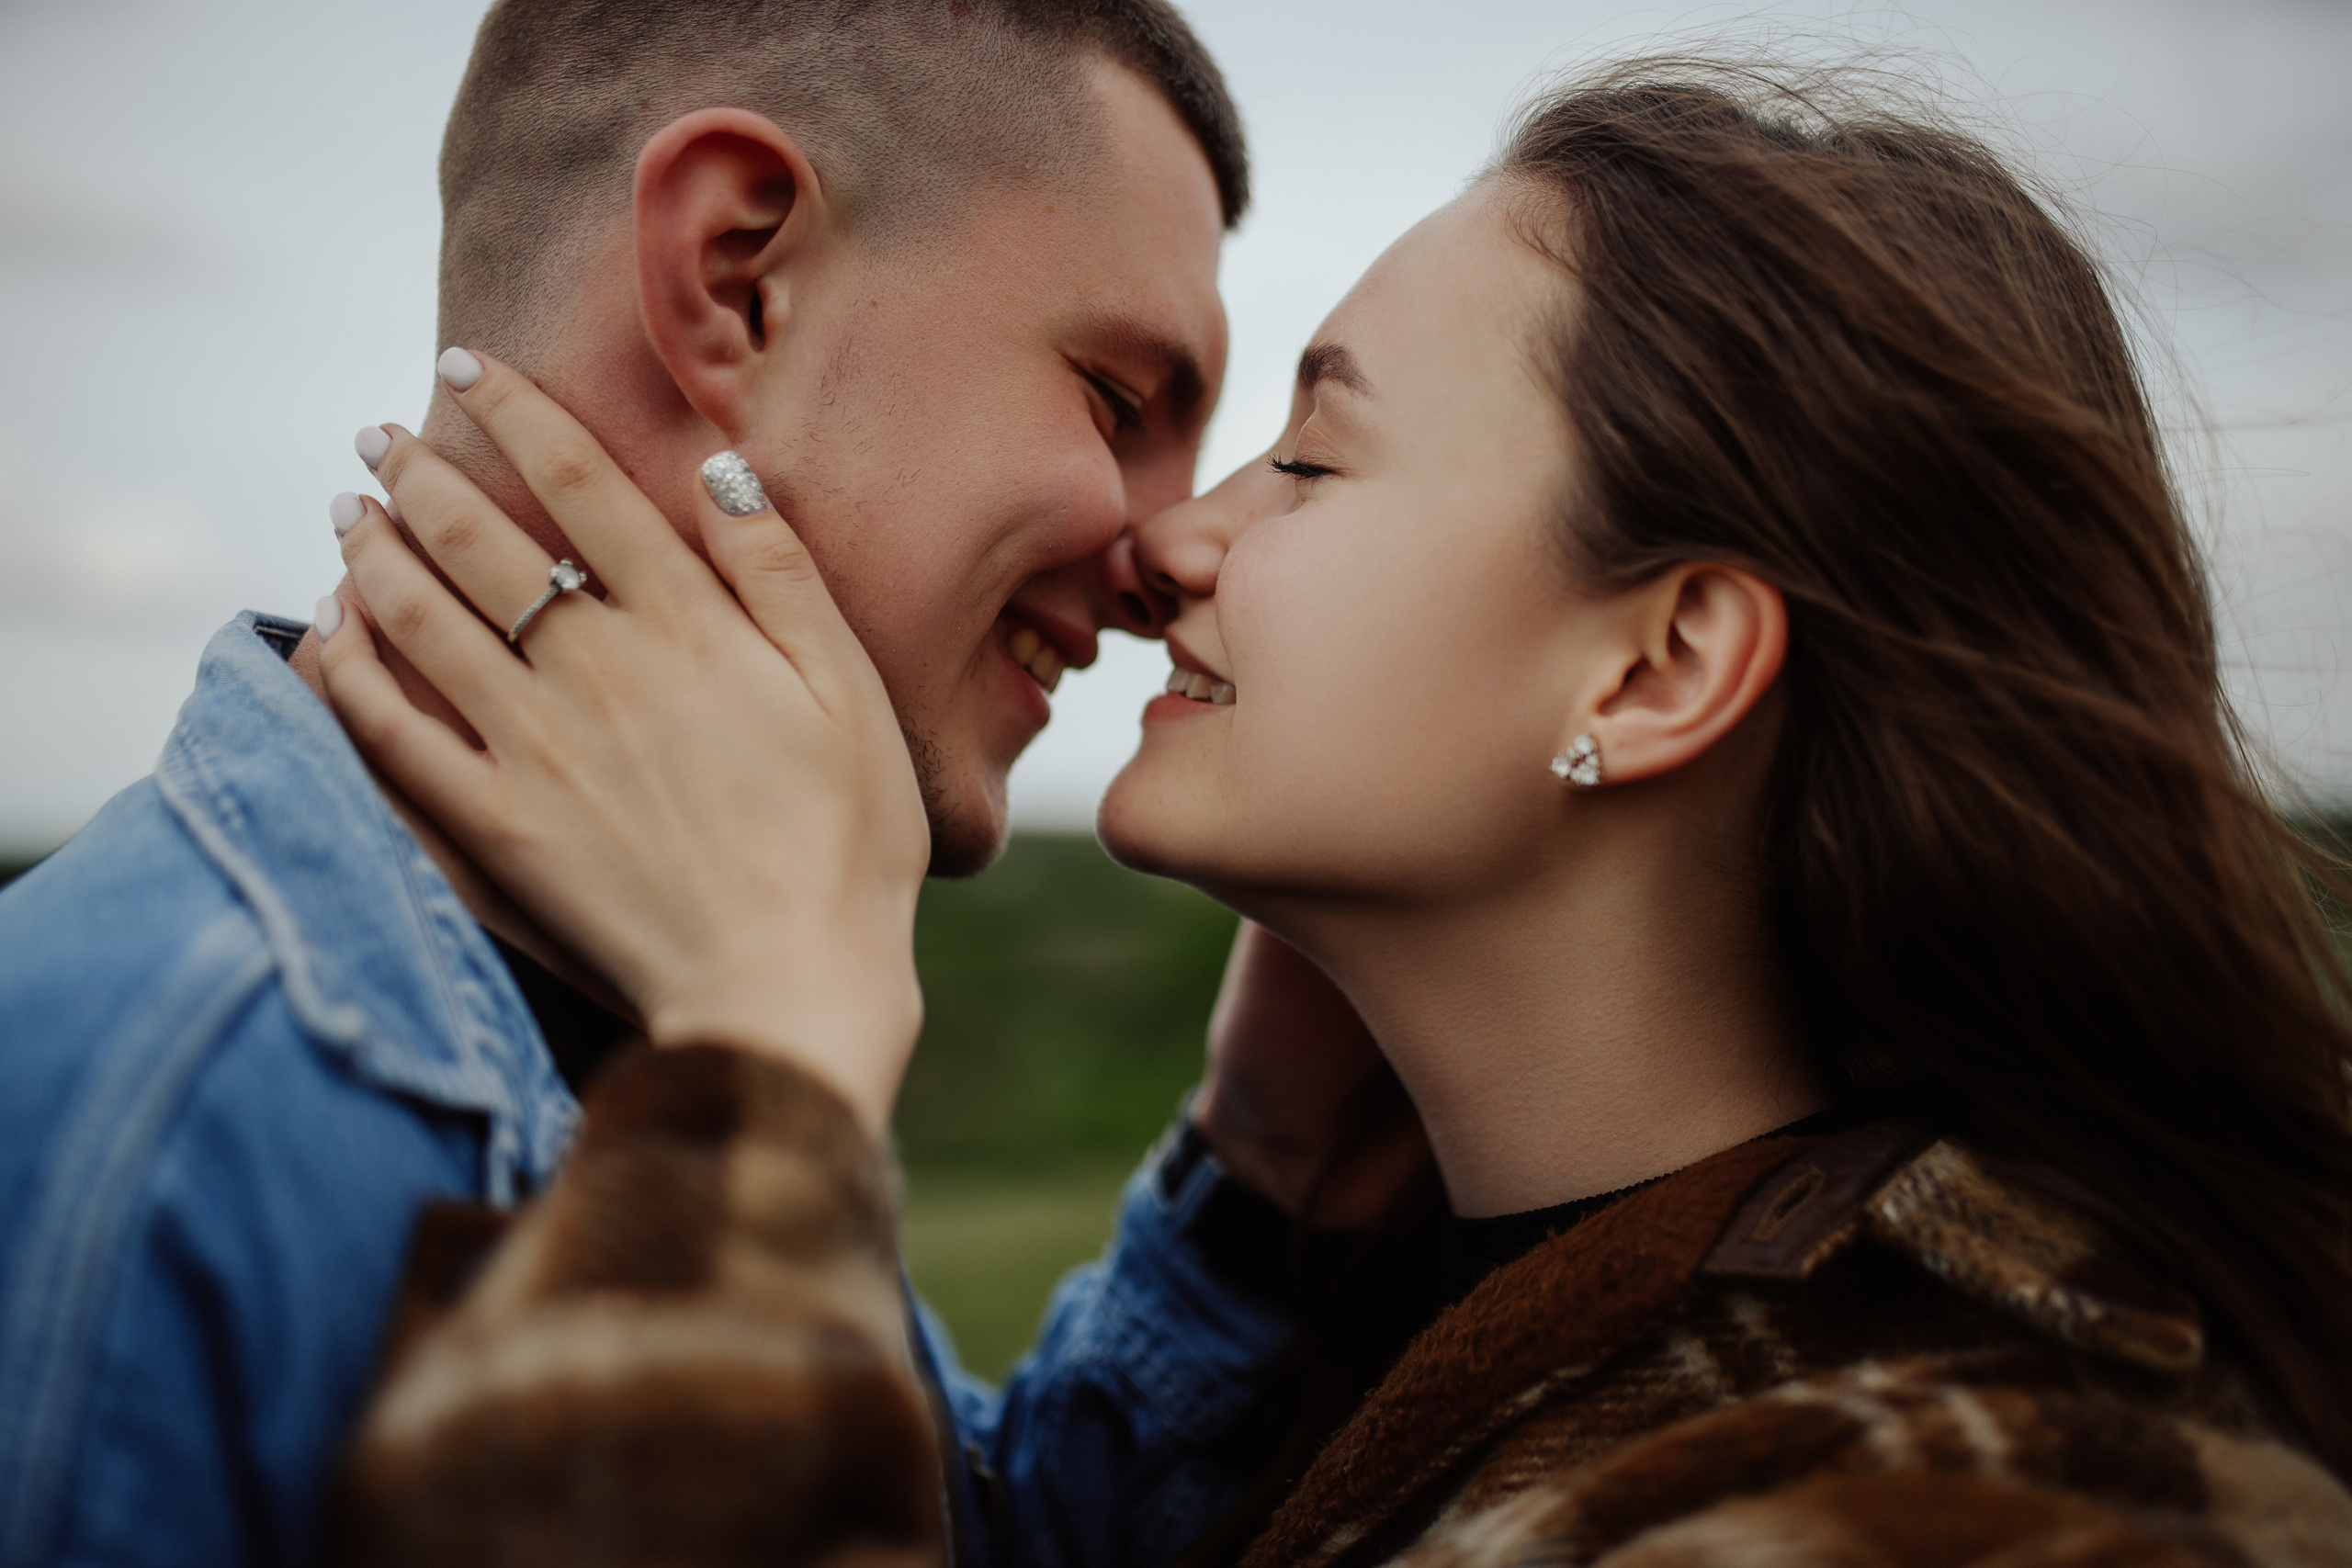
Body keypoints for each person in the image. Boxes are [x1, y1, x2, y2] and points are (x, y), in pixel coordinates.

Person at [315, 55, 2352, 1568]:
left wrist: (764, 1048)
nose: (1162, 540)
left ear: (1650, 670)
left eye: (1308, 458)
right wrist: (1259, 1186)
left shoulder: (1963, 1508)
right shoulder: (1491, 1338)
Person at [0, 3, 1256, 1562]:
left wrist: (1267, 1179)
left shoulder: (656, 996)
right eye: (1121, 404)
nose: (1162, 558)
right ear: (738, 279)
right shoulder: (132, 1143)